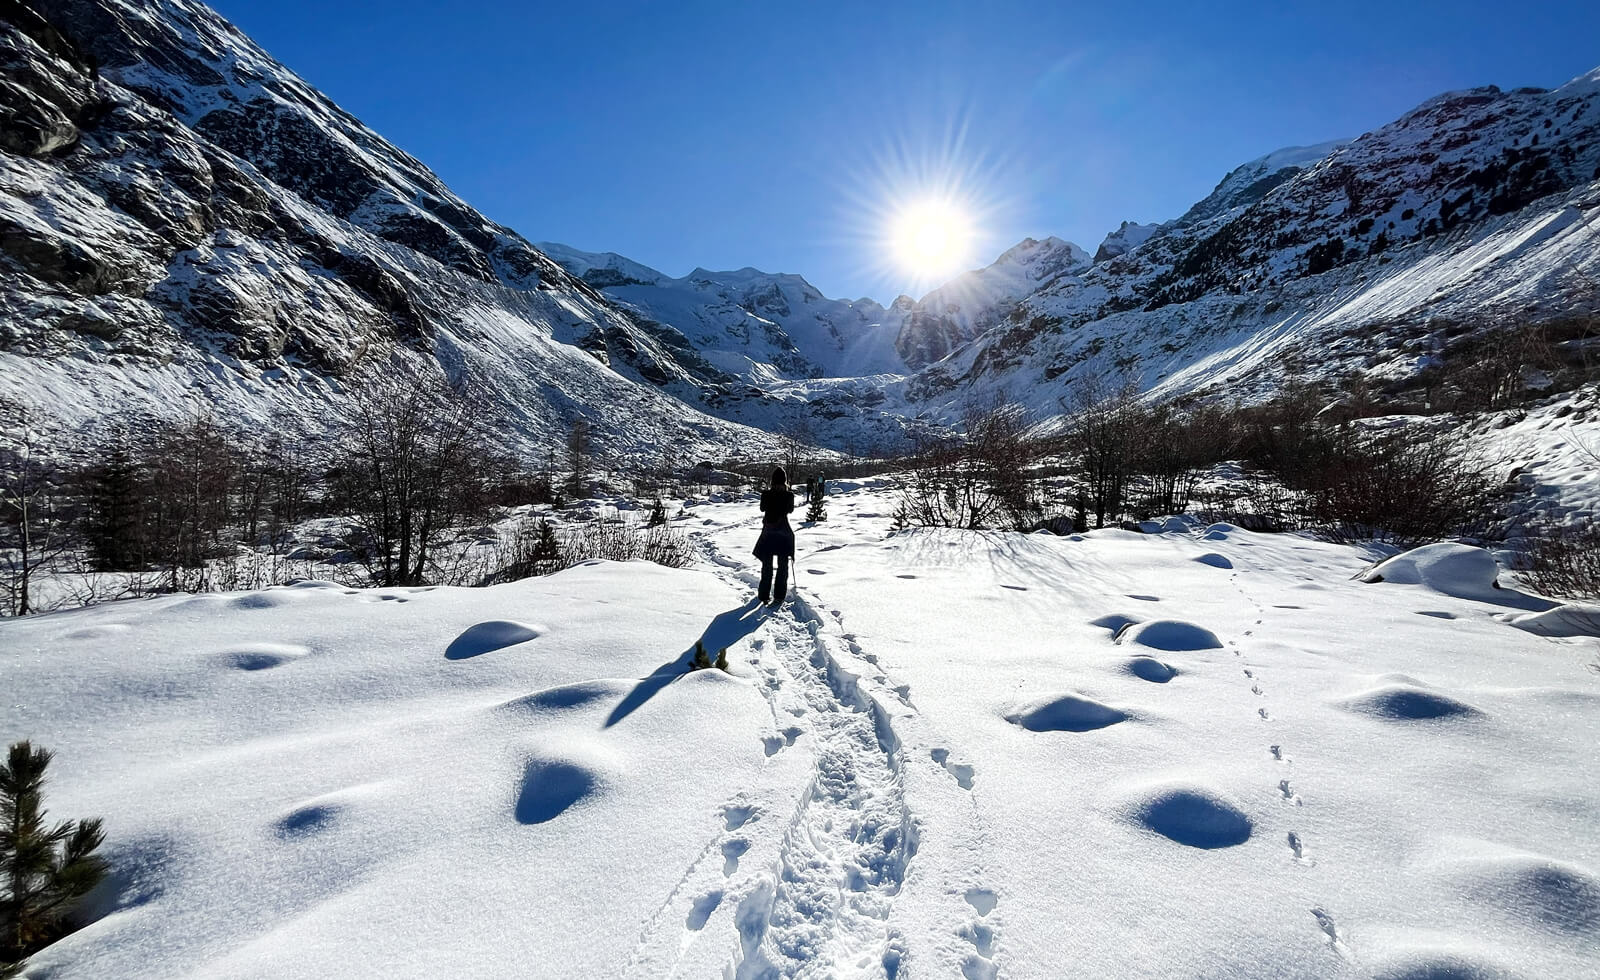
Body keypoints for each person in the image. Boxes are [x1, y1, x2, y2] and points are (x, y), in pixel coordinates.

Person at [753, 467, 795, 606]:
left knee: (767, 567)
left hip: (768, 534)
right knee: (783, 567)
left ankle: (764, 595)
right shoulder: (789, 495)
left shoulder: (766, 494)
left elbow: (762, 508)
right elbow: (790, 509)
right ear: (785, 481)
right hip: (783, 533)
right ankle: (779, 596)